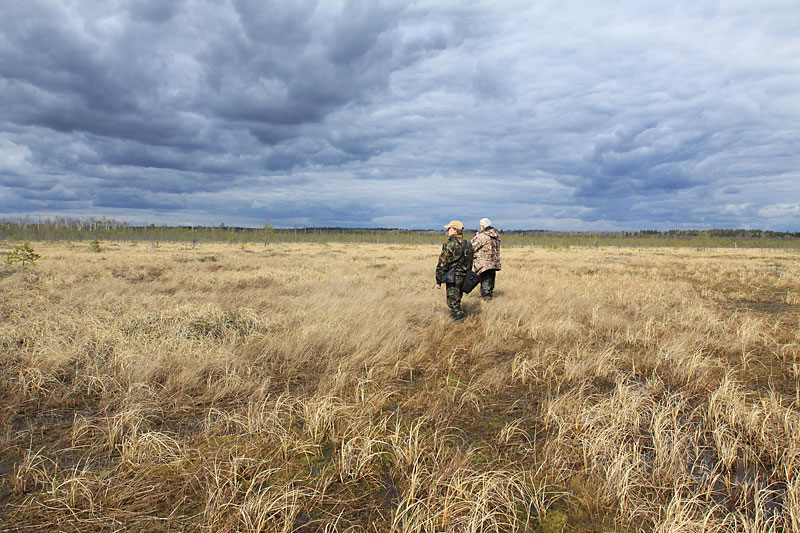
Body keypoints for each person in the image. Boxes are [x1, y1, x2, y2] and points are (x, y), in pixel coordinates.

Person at [435, 220, 474, 321]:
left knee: (452, 302)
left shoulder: (449, 244)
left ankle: (459, 321)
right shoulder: (468, 244)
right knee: (458, 298)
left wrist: (438, 280)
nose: (448, 230)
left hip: (453, 277)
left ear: (455, 230)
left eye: (449, 228)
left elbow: (442, 264)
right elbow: (470, 261)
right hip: (464, 275)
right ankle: (459, 317)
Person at [471, 217, 501, 299]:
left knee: (486, 288)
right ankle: (488, 300)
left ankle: (487, 304)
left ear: (482, 226)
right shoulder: (496, 236)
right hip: (494, 264)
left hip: (483, 265)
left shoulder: (482, 236)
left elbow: (471, 248)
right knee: (489, 285)